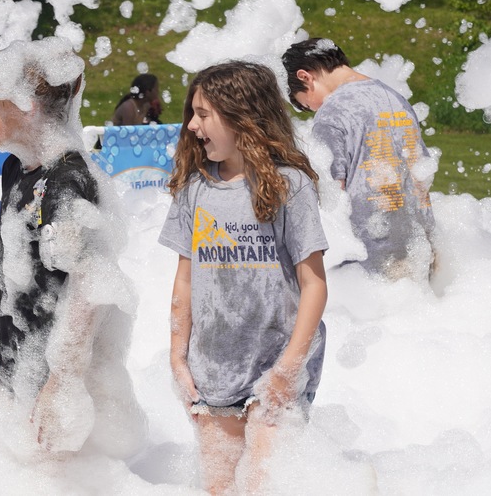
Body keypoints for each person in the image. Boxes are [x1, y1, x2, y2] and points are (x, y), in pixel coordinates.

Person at [0, 37, 144, 460]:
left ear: (27, 104)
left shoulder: (67, 183)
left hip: (52, 389)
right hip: (21, 374)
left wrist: (63, 381)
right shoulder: (17, 167)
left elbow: (89, 286)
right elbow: (18, 280)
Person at [159, 61, 328, 494]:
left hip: (277, 362)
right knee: (219, 487)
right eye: (192, 114)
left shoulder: (288, 187)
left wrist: (290, 366)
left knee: (262, 484)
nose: (193, 125)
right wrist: (179, 357)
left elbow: (314, 285)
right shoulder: (194, 189)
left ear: (242, 115)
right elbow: (186, 282)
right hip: (214, 366)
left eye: (203, 113)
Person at [282, 38, 435, 280]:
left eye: (306, 104)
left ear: (305, 77)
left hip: (366, 257)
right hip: (417, 245)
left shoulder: (332, 111)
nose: (313, 110)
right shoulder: (396, 98)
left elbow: (330, 195)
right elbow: (422, 175)